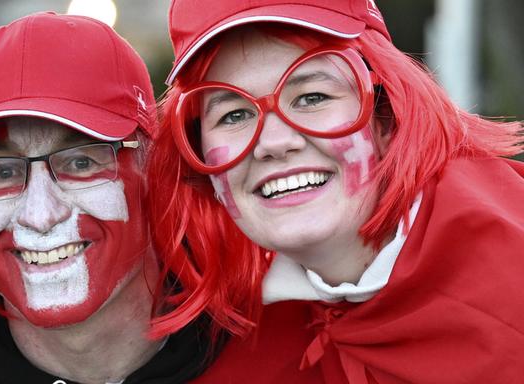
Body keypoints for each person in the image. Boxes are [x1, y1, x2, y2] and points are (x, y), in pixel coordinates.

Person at [149, 0, 524, 382]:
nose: (274, 142)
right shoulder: (252, 342)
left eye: (313, 97)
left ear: (386, 114)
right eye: (234, 115)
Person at [0, 12, 244, 384]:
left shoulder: (283, 342)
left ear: (153, 166)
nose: (40, 215)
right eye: (2, 171)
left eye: (80, 162)